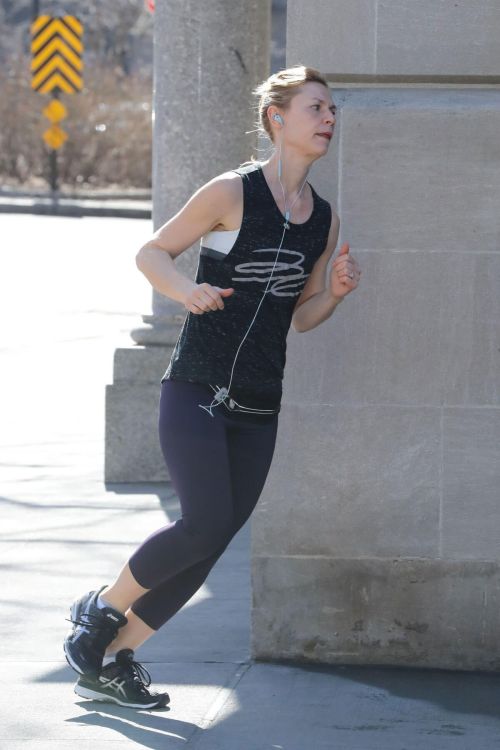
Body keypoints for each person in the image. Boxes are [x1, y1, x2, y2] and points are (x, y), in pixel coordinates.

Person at [63, 64, 361, 710]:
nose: (330, 119)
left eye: (333, 110)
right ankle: (101, 609)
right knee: (201, 523)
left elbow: (301, 317)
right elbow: (151, 253)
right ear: (277, 118)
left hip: (259, 409)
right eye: (317, 107)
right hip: (196, 389)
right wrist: (186, 291)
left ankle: (113, 657)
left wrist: (332, 296)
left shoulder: (324, 221)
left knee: (211, 541)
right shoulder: (232, 192)